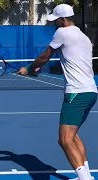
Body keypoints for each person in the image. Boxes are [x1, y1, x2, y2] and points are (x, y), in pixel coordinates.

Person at [18, 4, 97, 180]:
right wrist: (37, 69)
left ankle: (85, 179)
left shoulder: (62, 32)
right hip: (91, 91)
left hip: (77, 93)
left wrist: (29, 69)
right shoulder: (83, 37)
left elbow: (46, 56)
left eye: (56, 20)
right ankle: (85, 176)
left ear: (63, 20)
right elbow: (71, 61)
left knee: (64, 139)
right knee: (73, 136)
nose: (54, 24)